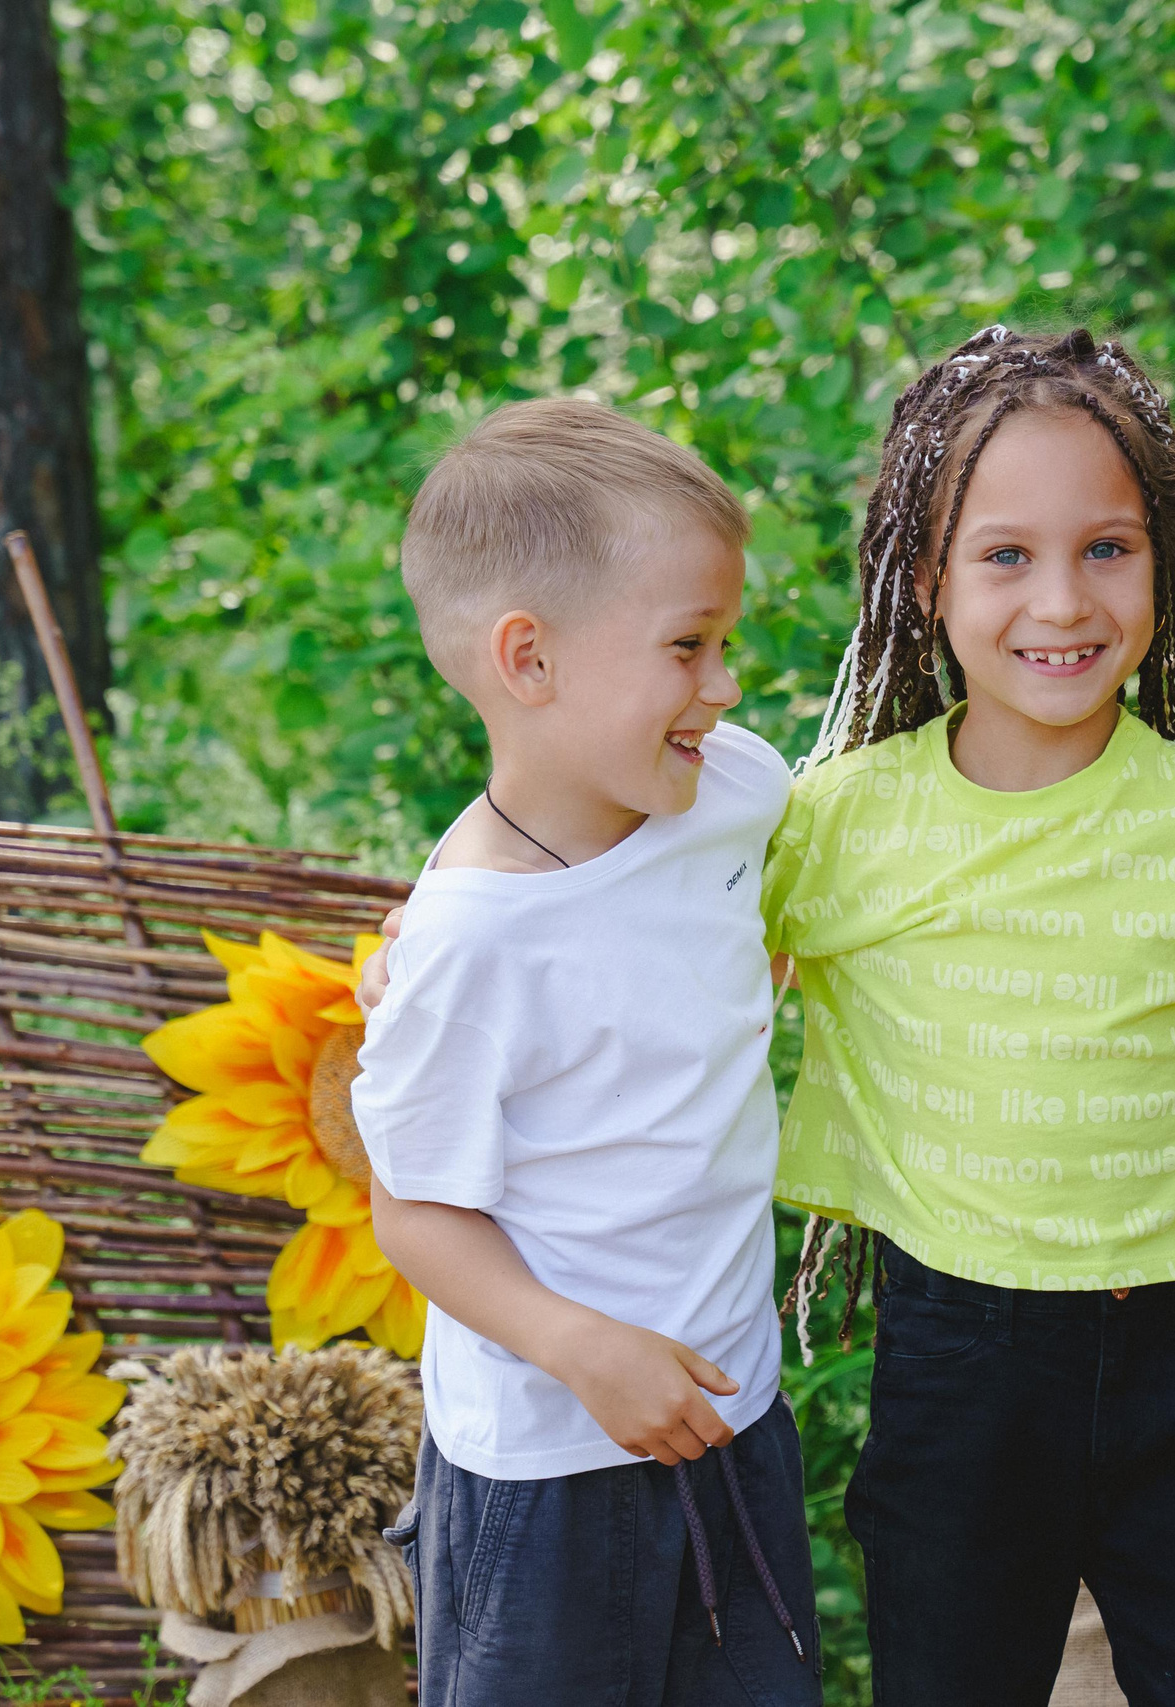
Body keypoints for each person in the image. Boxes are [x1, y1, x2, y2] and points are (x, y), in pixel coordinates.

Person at [768, 325, 1175, 1706]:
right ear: (926, 583)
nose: (1063, 601)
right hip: (959, 1368)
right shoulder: (836, 824)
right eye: (1006, 556)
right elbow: (660, 974)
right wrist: (438, 930)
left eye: (1108, 548)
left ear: (1163, 564)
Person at [350, 399, 819, 1707]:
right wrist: (578, 1344)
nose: (725, 686)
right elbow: (414, 1210)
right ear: (529, 660)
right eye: (687, 647)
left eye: (725, 642)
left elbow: (751, 937)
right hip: (546, 1462)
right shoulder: (471, 943)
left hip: (731, 1407)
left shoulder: (731, 790)